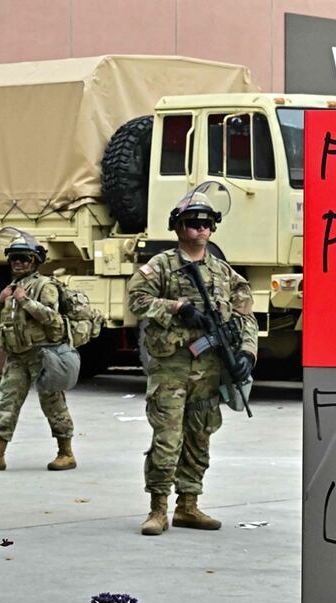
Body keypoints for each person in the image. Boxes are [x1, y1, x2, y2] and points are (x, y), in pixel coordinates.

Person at [127, 183, 257, 536]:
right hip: (171, 367)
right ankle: (158, 508)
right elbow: (137, 300)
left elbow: (245, 314)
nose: (201, 230)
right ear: (178, 227)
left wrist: (247, 353)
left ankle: (188, 505)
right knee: (167, 439)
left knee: (200, 437)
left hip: (209, 369)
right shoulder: (162, 266)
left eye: (206, 223)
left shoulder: (223, 272)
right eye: (193, 223)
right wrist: (177, 308)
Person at [0, 233, 77, 472]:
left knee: (53, 403)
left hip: (41, 354)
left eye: (24, 258)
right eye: (14, 259)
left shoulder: (44, 286)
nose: (18, 263)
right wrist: (0, 301)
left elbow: (52, 317)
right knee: (8, 402)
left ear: (34, 261)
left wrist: (25, 301)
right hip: (17, 356)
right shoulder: (12, 287)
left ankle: (66, 453)